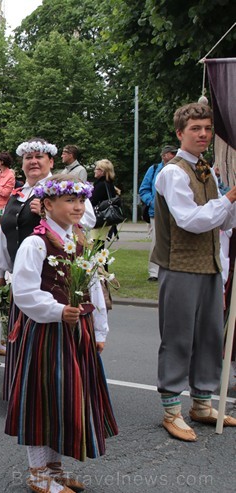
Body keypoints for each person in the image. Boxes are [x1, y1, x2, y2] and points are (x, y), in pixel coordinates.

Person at [5, 174, 116, 492]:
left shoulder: (82, 240)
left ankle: (54, 468)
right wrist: (56, 311)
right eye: (70, 200)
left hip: (75, 331)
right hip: (45, 333)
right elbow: (24, 292)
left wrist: (99, 328)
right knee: (43, 399)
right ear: (48, 205)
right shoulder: (35, 243)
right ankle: (38, 472)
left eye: (81, 200)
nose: (78, 206)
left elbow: (94, 287)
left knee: (65, 399)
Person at [150, 102, 236, 441]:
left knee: (211, 337)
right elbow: (190, 220)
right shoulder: (172, 172)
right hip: (180, 265)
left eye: (206, 129)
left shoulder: (207, 170)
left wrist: (230, 206)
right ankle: (172, 410)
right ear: (180, 133)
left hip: (210, 265)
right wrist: (229, 199)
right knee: (179, 338)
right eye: (195, 129)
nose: (203, 134)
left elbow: (222, 222)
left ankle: (201, 403)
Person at [0, 139, 96, 396]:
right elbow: (4, 236)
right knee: (23, 335)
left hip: (55, 279)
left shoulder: (64, 188)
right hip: (24, 276)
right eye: (28, 158)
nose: (33, 162)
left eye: (39, 157)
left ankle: (57, 394)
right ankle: (23, 392)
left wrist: (47, 213)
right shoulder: (17, 194)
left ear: (51, 161)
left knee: (50, 342)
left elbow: (86, 218)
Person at [139, 145, 177, 282]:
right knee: (156, 241)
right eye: (172, 153)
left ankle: (171, 269)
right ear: (165, 155)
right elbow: (143, 189)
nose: (175, 155)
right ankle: (154, 272)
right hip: (156, 212)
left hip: (175, 212)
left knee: (174, 241)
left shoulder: (178, 168)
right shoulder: (154, 169)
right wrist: (152, 202)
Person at [90, 159, 119, 240]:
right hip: (106, 219)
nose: (94, 170)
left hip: (100, 218)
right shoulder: (109, 183)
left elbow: (93, 201)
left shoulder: (101, 185)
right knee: (100, 242)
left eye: (96, 168)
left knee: (96, 242)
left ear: (102, 171)